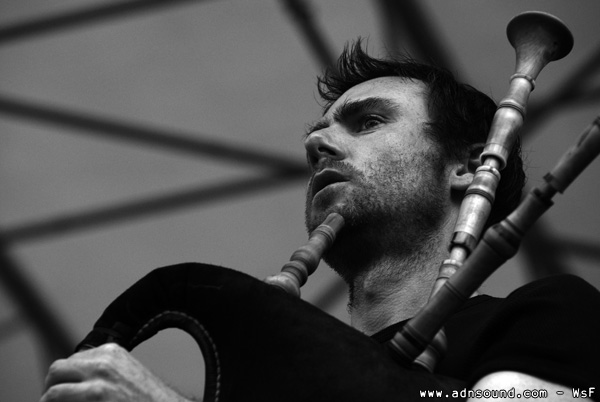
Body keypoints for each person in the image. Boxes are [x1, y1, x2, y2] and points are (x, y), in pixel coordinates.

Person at [41, 41, 600, 402]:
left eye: (368, 121)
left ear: (471, 168)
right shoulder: (279, 378)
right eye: (317, 136)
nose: (317, 145)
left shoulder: (550, 314)